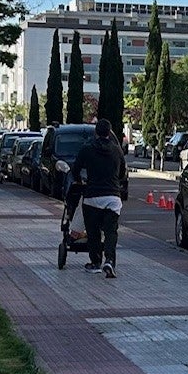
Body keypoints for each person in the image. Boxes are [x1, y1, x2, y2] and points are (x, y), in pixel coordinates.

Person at [72, 118, 127, 278]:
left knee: (93, 231)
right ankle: (110, 260)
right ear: (109, 133)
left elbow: (76, 169)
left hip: (93, 197)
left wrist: (79, 180)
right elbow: (122, 173)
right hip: (113, 197)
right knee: (111, 232)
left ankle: (95, 262)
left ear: (96, 132)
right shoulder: (117, 150)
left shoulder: (87, 149)